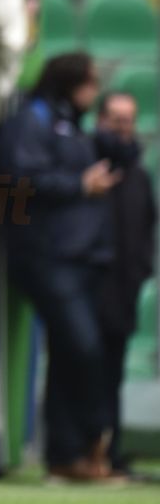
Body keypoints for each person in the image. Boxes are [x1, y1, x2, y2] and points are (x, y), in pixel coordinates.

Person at [0, 52, 121, 481]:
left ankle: (66, 456)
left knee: (71, 354)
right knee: (82, 348)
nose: (95, 91)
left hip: (78, 256)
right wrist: (79, 185)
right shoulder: (33, 120)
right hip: (46, 255)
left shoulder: (70, 122)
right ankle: (90, 440)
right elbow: (16, 180)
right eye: (90, 82)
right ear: (72, 82)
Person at [94, 92, 156, 474]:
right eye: (116, 118)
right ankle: (80, 451)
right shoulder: (89, 165)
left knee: (113, 373)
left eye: (128, 119)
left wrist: (140, 271)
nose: (123, 126)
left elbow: (148, 226)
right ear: (101, 120)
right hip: (90, 288)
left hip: (124, 290)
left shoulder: (139, 174)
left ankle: (111, 453)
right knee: (85, 368)